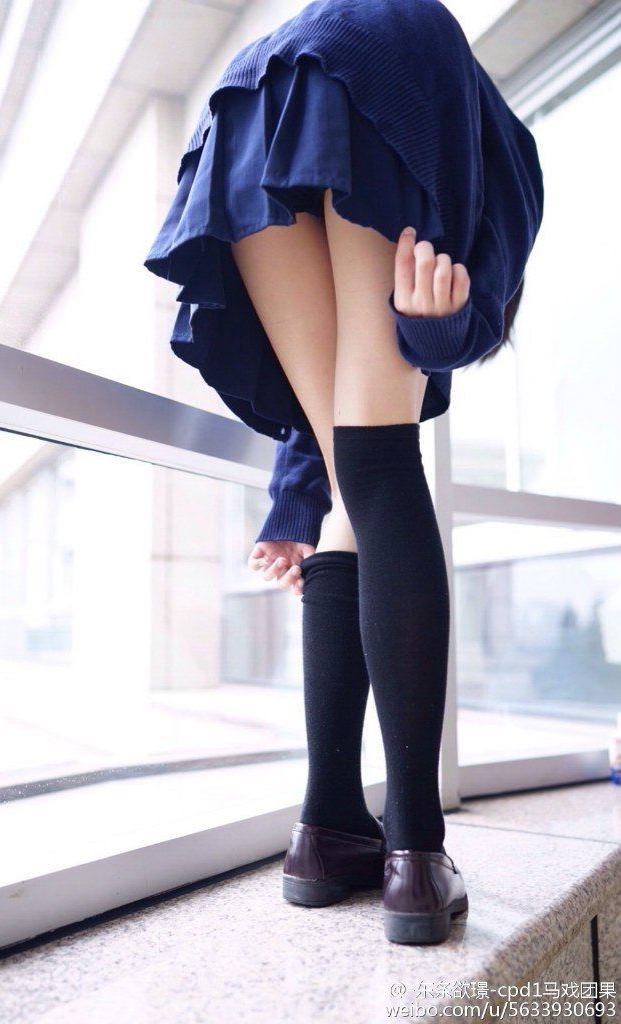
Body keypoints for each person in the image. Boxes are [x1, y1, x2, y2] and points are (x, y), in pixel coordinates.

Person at [144, 0, 544, 945]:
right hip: (386, 69)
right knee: (381, 458)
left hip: (251, 101)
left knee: (350, 475)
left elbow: (320, 415)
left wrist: (296, 499)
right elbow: (493, 251)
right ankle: (417, 852)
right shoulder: (503, 141)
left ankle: (326, 832)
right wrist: (451, 330)